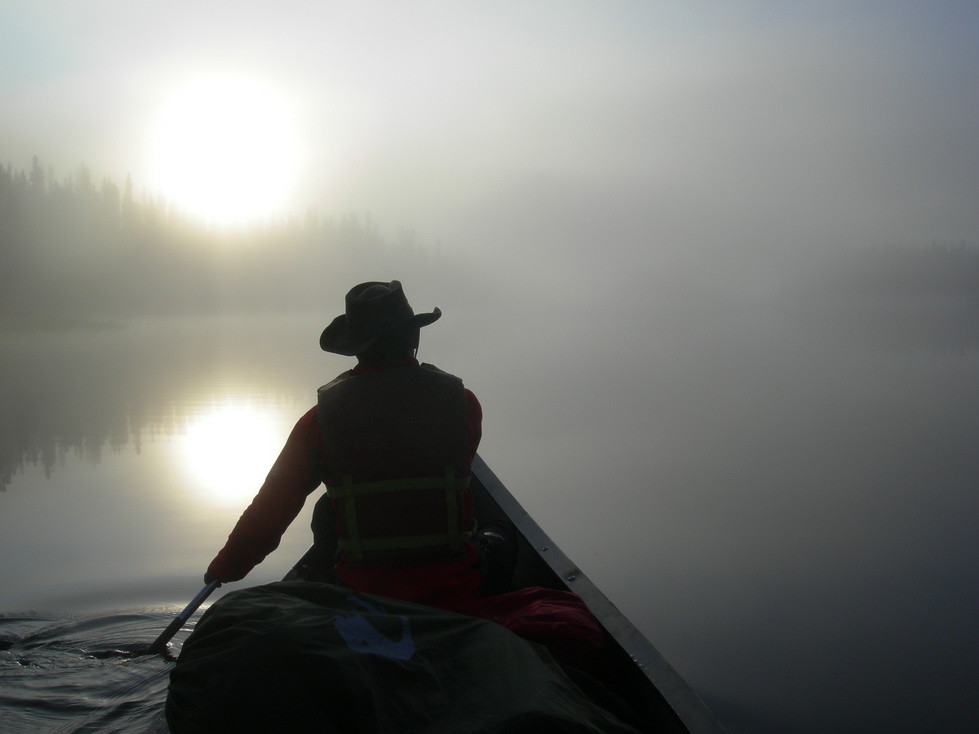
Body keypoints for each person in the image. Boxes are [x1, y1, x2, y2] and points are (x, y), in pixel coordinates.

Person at [204, 281, 505, 610]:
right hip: (454, 590)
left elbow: (271, 509)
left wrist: (224, 568)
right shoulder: (463, 404)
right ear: (414, 337)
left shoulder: (318, 421)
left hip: (362, 593)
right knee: (501, 538)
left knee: (327, 510)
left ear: (356, 347)